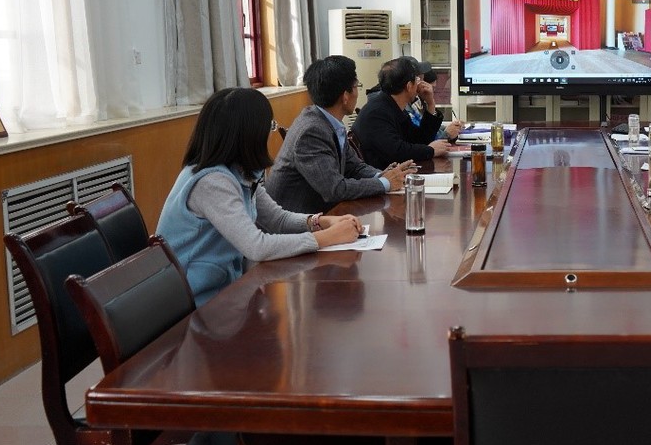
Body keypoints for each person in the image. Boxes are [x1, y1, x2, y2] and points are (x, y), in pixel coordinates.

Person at [155, 88, 362, 306]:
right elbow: (256, 247)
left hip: (227, 289)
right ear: (249, 134)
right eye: (268, 126)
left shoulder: (239, 172)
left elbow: (276, 219)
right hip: (195, 301)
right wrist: (327, 238)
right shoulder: (212, 182)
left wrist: (319, 222)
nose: (267, 135)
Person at [265, 55, 410, 214]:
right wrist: (385, 183)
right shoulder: (311, 132)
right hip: (292, 221)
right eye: (356, 86)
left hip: (320, 214)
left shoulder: (329, 121)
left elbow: (355, 167)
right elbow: (335, 189)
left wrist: (382, 175)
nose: (358, 92)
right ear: (345, 96)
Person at [353, 57, 454, 169]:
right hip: (382, 174)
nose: (419, 84)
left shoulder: (393, 105)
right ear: (409, 86)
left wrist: (430, 103)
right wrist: (431, 151)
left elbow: (419, 139)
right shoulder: (377, 112)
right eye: (417, 80)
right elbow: (396, 151)